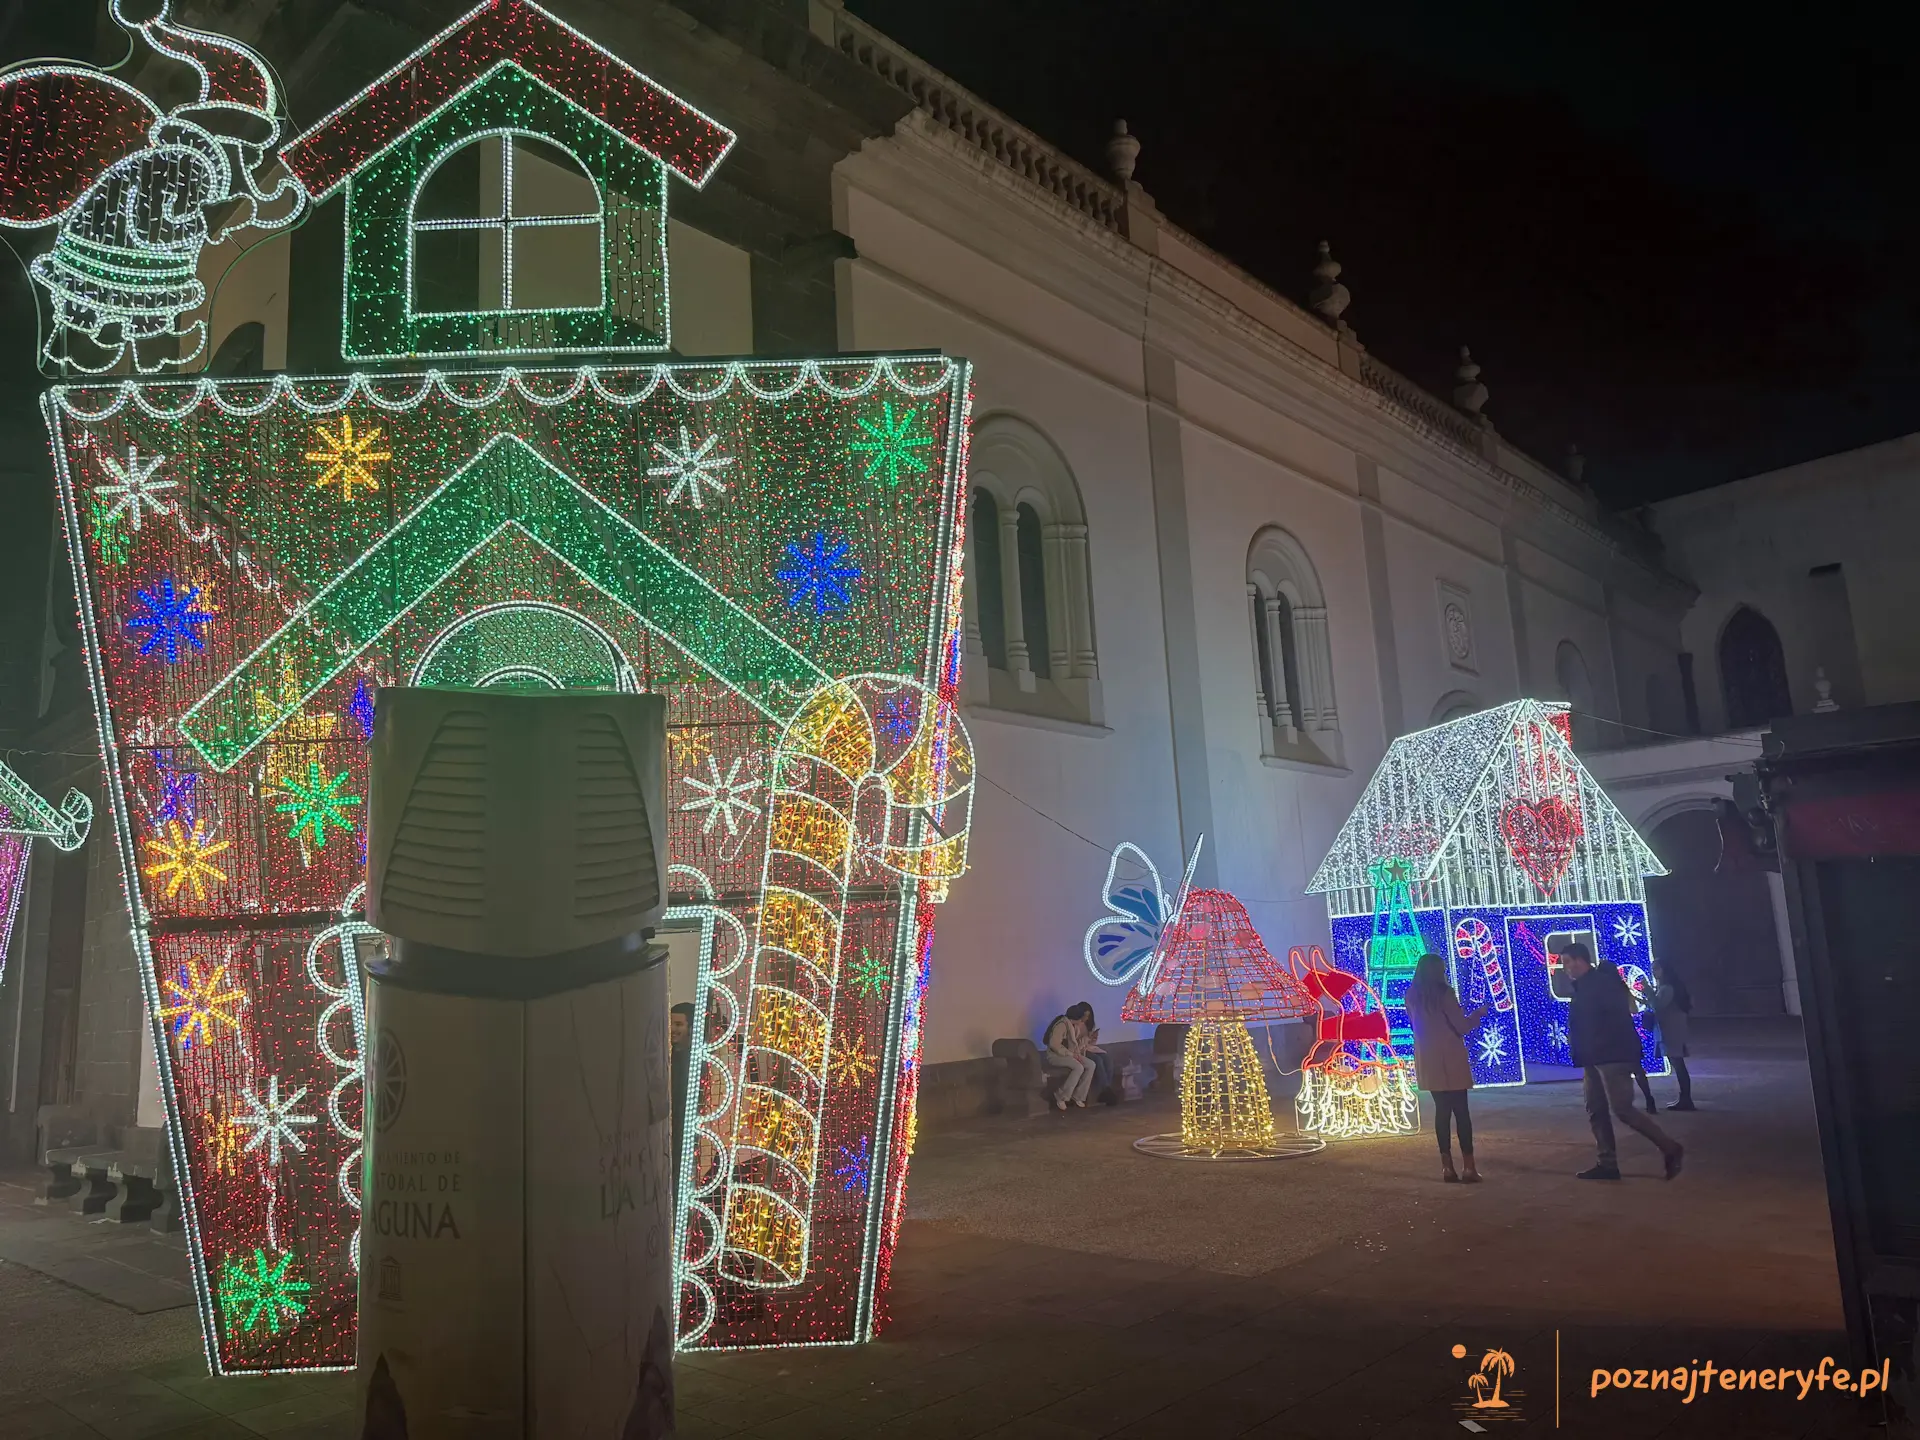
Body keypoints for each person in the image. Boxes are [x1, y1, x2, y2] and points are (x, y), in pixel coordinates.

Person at [1557, 942, 1684, 1181]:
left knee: (1622, 1109)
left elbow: (1612, 1020)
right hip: (1593, 1056)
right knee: (1596, 1109)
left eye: (1567, 962)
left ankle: (1669, 1147)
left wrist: (1604, 1046)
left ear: (1580, 961)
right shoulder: (1585, 987)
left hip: (1610, 1056)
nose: (1565, 968)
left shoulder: (1601, 985)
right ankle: (1607, 1163)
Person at [1404, 953, 1489, 1183]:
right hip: (1451, 1057)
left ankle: (1446, 1167)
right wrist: (1477, 1015)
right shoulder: (1445, 993)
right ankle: (1469, 1167)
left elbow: (1414, 1025)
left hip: (1428, 1059)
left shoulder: (1411, 995)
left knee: (1441, 1112)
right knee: (1461, 1112)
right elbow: (1461, 1026)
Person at [1649, 958, 1696, 1110]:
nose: (1654, 973)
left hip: (1671, 1030)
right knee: (1677, 1063)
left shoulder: (1668, 988)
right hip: (1673, 1029)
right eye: (1653, 969)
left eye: (1657, 969)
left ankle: (1686, 1099)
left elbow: (1658, 1006)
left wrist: (1648, 992)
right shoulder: (1668, 987)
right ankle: (1685, 1098)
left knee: (1678, 1063)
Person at [1043, 1009, 1096, 1110]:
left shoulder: (1073, 1026)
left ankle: (1078, 1096)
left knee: (1091, 1064)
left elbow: (1075, 1045)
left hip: (1069, 1054)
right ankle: (1061, 1095)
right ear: (1077, 1018)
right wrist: (1070, 1054)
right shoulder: (1061, 1025)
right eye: (1081, 1019)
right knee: (1078, 1067)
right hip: (1056, 1056)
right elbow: (1054, 1045)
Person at [1069, 1001, 1118, 1105]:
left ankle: (1106, 1089)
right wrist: (1086, 1039)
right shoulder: (1074, 1025)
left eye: (1088, 1016)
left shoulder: (1089, 1024)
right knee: (1097, 1060)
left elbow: (1090, 1043)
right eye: (1085, 1015)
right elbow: (1075, 1044)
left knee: (1107, 1059)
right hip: (1080, 1050)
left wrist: (1093, 1038)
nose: (1086, 1018)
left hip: (1089, 1047)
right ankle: (1106, 1090)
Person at [669, 1002, 694, 1181]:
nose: (673, 1029)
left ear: (691, 1027)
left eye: (678, 1025)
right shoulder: (665, 1058)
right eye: (671, 1024)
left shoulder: (696, 1062)